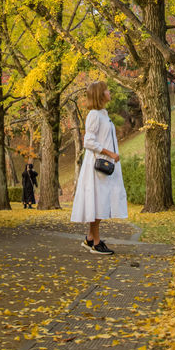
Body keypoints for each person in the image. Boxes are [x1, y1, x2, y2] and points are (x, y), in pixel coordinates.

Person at [70, 80, 127, 255]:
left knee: (100, 202)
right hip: (98, 167)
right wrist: (110, 153)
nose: (110, 92)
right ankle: (96, 243)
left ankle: (89, 238)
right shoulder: (94, 115)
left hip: (105, 167)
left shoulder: (103, 113)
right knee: (98, 203)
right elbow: (88, 141)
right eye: (107, 90)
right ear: (100, 94)